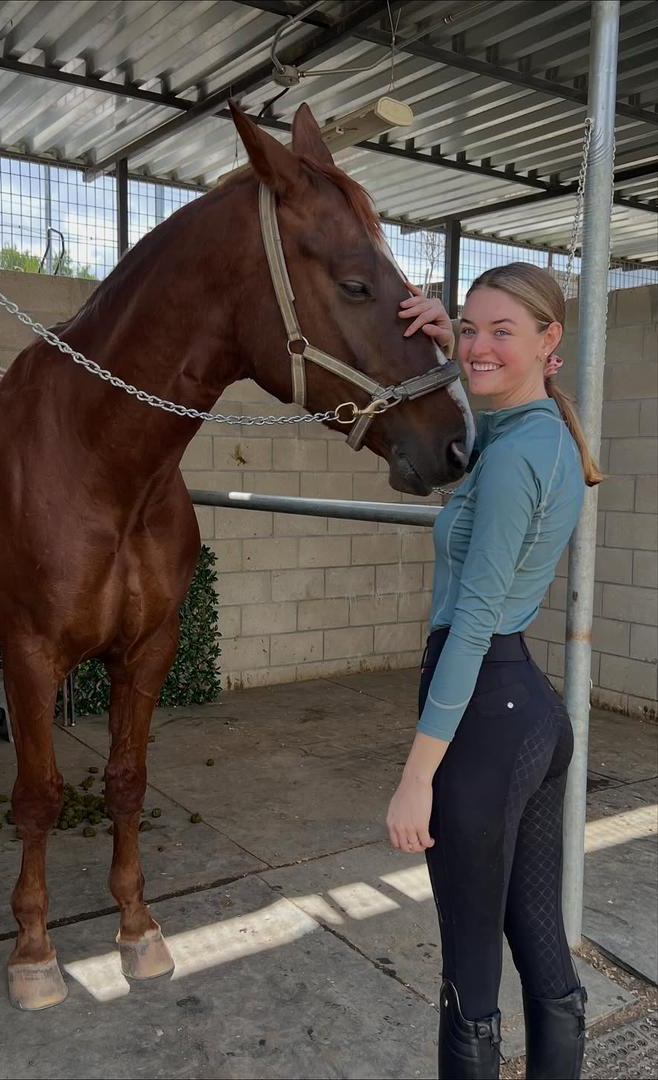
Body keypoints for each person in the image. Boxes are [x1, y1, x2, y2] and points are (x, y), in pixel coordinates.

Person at [386, 262, 603, 1080]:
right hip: (529, 719)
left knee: (470, 978)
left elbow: (473, 622)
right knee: (542, 946)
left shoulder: (518, 458)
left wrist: (418, 775)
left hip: (484, 716)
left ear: (552, 343)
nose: (479, 345)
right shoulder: (528, 432)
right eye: (470, 325)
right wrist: (459, 346)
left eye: (501, 331)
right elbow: (488, 406)